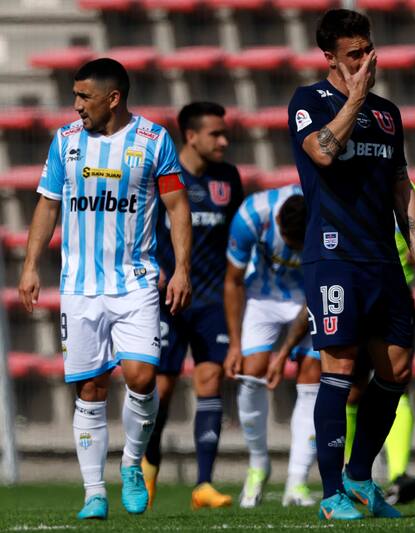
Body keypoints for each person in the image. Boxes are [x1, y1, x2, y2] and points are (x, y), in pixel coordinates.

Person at [18, 58, 192, 520]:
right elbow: (47, 205)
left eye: (83, 97)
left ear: (113, 98)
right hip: (79, 287)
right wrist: (31, 264)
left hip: (135, 282)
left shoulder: (154, 140)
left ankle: (132, 465)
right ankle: (94, 491)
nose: (76, 106)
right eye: (75, 96)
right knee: (90, 388)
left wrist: (182, 270)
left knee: (140, 376)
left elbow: (177, 208)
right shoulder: (66, 142)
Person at [287, 8, 415, 521]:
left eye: (368, 50)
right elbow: (323, 154)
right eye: (355, 54)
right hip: (333, 257)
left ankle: (358, 476)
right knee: (341, 367)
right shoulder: (309, 102)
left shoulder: (388, 114)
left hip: (381, 260)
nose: (366, 61)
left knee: (396, 368)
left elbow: (402, 187)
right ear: (329, 57)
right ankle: (331, 495)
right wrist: (353, 98)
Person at [142, 102, 243, 510]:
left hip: (211, 299)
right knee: (159, 390)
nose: (224, 140)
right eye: (215, 134)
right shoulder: (163, 176)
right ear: (191, 136)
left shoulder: (228, 178)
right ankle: (146, 476)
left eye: (225, 133)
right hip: (165, 301)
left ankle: (203, 483)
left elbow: (236, 240)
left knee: (210, 381)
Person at [343, 182, 415, 505]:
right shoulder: (344, 181)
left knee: (396, 381)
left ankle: (398, 474)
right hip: (355, 293)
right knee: (350, 387)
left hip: (395, 295)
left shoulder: (412, 191)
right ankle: (350, 474)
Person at [222, 187, 318, 509]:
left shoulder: (324, 221)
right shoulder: (251, 216)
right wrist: (235, 344)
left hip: (307, 300)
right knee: (251, 374)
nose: (293, 252)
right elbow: (233, 281)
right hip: (262, 298)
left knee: (313, 377)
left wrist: (285, 352)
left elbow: (318, 291)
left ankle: (297, 481)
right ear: (277, 221)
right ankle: (258, 464)